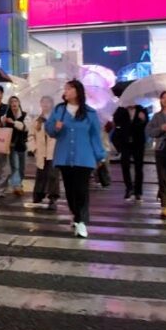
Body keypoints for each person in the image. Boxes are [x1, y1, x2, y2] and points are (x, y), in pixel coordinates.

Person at [46, 80, 106, 238]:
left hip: (84, 157)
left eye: (69, 89)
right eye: (65, 89)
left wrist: (100, 156)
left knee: (81, 190)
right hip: (64, 157)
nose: (66, 91)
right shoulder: (59, 110)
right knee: (70, 190)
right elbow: (49, 130)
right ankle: (76, 215)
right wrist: (55, 127)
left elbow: (95, 136)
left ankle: (81, 221)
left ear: (77, 91)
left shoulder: (90, 113)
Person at [30, 95, 61, 209]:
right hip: (41, 151)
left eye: (48, 102)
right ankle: (38, 195)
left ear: (52, 104)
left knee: (53, 175)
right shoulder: (37, 120)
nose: (45, 104)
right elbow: (31, 135)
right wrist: (34, 148)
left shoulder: (56, 119)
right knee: (41, 174)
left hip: (53, 151)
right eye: (43, 102)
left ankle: (53, 198)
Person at [3, 96, 30, 196]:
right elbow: (2, 126)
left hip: (22, 145)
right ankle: (16, 186)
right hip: (12, 145)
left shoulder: (25, 115)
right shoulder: (6, 116)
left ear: (19, 103)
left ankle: (19, 183)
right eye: (11, 102)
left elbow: (26, 128)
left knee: (22, 167)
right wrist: (4, 121)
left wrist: (13, 122)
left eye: (15, 101)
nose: (14, 103)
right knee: (15, 166)